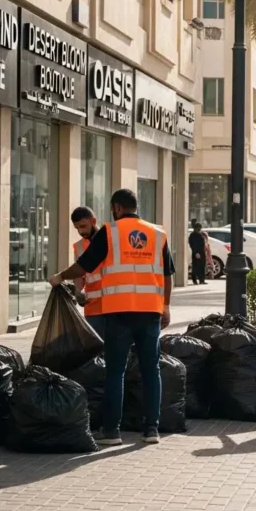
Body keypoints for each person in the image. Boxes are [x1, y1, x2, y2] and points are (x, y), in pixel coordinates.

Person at [49, 188, 174, 446]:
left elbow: (85, 265)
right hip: (150, 312)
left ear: (117, 208)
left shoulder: (110, 231)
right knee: (151, 370)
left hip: (119, 312)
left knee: (115, 372)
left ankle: (112, 432)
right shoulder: (158, 233)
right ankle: (151, 430)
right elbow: (168, 273)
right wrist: (166, 306)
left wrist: (60, 277)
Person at [70, 206, 105, 338]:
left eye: (83, 226)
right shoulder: (79, 246)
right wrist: (78, 292)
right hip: (92, 308)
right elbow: (80, 275)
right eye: (77, 228)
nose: (81, 231)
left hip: (114, 306)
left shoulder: (110, 240)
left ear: (93, 221)